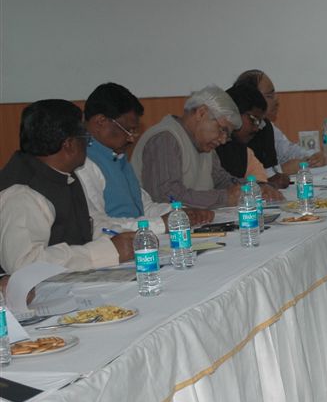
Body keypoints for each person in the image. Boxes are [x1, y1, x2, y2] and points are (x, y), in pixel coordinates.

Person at [0, 99, 134, 273]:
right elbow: (25, 264)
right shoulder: (21, 193)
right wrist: (103, 252)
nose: (88, 145)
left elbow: (90, 224)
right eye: (85, 138)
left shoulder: (65, 175)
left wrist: (123, 237)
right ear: (69, 145)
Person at [75, 83, 213, 234]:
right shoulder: (83, 164)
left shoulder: (117, 157)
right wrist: (160, 224)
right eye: (128, 130)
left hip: (138, 238)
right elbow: (99, 226)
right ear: (100, 122)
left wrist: (182, 212)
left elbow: (144, 207)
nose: (131, 139)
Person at [130, 86, 272, 208]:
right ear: (201, 113)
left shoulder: (203, 142)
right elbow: (167, 197)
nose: (223, 140)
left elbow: (221, 180)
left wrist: (255, 188)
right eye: (222, 130)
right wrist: (224, 198)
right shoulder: (165, 139)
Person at [234, 69, 323, 184]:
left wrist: (311, 157)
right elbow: (239, 177)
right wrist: (281, 170)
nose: (276, 99)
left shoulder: (266, 125)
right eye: (270, 95)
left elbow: (287, 150)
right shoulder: (236, 131)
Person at [215, 83, 286, 207]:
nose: (257, 128)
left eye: (260, 122)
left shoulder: (243, 151)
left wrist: (266, 186)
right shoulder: (210, 147)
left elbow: (260, 181)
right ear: (233, 113)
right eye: (254, 120)